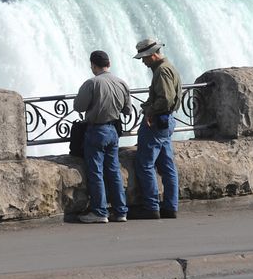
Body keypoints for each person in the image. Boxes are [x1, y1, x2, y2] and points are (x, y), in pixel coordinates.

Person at [73, 50, 132, 224]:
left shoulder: (92, 83)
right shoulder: (122, 83)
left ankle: (100, 211)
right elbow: (128, 110)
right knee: (113, 171)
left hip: (96, 130)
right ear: (109, 64)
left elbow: (79, 106)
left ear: (93, 65)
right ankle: (121, 211)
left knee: (96, 171)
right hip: (114, 130)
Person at [130, 37, 182, 220]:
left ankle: (151, 207)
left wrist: (149, 111)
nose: (143, 62)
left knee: (145, 164)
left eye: (144, 58)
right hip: (166, 121)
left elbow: (166, 100)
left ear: (152, 55)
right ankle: (170, 207)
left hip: (158, 121)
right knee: (167, 166)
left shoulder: (162, 71)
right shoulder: (168, 68)